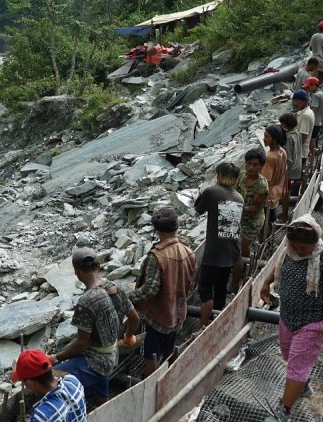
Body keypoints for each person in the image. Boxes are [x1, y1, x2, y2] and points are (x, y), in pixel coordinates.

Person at [259, 215, 323, 422]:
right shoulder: (290, 251)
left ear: (315, 242)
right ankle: (303, 385)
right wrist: (266, 284)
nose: (299, 250)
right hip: (288, 317)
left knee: (297, 365)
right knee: (289, 356)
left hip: (313, 321)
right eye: (295, 246)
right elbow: (279, 267)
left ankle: (284, 412)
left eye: (303, 247)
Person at [50, 247, 139, 405]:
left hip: (96, 361)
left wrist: (55, 358)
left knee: (52, 378)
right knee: (100, 388)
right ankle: (103, 407)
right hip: (112, 354)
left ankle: (66, 413)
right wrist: (128, 336)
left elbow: (81, 344)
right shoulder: (114, 288)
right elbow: (134, 319)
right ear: (99, 266)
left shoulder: (86, 301)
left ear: (76, 271)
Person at [128, 207, 196, 375]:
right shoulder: (188, 252)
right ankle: (171, 378)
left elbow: (149, 290)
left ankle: (152, 387)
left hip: (154, 319)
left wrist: (126, 296)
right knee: (169, 350)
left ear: (156, 229)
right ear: (176, 227)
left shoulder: (156, 256)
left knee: (150, 356)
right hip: (177, 313)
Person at [193, 165, 243, 329]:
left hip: (214, 252)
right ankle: (217, 323)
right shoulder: (239, 197)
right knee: (221, 290)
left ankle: (202, 328)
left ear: (220, 175)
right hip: (231, 252)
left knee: (205, 290)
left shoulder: (212, 192)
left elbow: (198, 208)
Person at [230, 148, 269, 292]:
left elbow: (257, 207)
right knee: (236, 246)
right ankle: (242, 266)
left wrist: (239, 208)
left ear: (261, 166)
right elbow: (234, 191)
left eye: (255, 164)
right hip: (239, 215)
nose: (251, 167)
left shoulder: (262, 185)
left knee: (241, 248)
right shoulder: (241, 176)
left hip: (252, 221)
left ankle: (241, 274)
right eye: (249, 164)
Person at [261, 125, 288, 229]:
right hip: (277, 191)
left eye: (267, 136)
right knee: (271, 219)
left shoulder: (269, 157)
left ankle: (264, 242)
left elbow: (265, 181)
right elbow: (285, 172)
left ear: (274, 139)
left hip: (268, 195)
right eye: (264, 135)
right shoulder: (282, 152)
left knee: (265, 223)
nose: (264, 138)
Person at [278, 113, 301, 223]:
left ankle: (284, 216)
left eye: (282, 123)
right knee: (287, 192)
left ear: (286, 125)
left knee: (286, 192)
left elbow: (288, 158)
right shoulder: (296, 133)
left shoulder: (288, 138)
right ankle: (284, 213)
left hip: (289, 170)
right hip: (296, 166)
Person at [292, 89, 315, 178]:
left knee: (297, 176)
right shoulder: (305, 112)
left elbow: (303, 135)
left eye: (297, 101)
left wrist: (294, 150)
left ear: (303, 101)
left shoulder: (305, 115)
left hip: (300, 151)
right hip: (302, 150)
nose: (295, 103)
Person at [304, 77, 323, 159]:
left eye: (309, 86)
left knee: (311, 139)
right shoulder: (322, 94)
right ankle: (313, 154)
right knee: (314, 138)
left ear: (314, 85)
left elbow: (314, 109)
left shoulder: (316, 96)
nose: (308, 89)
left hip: (315, 121)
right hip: (319, 120)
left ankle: (311, 156)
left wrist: (305, 114)